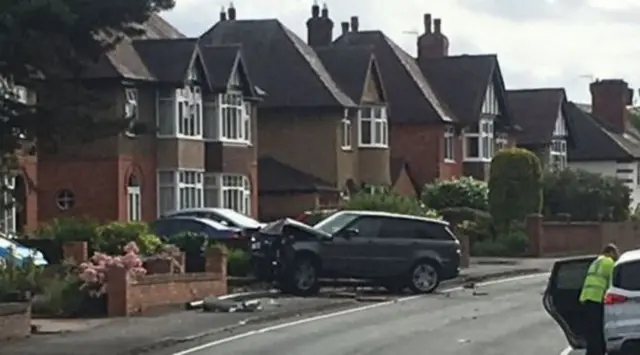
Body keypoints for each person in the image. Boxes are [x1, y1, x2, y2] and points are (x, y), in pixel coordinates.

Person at [579, 243, 619, 355]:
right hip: (597, 299)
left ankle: (591, 352)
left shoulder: (596, 261)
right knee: (598, 329)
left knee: (591, 330)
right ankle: (598, 352)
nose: (616, 256)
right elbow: (612, 282)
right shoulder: (609, 262)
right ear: (610, 252)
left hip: (586, 297)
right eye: (615, 254)